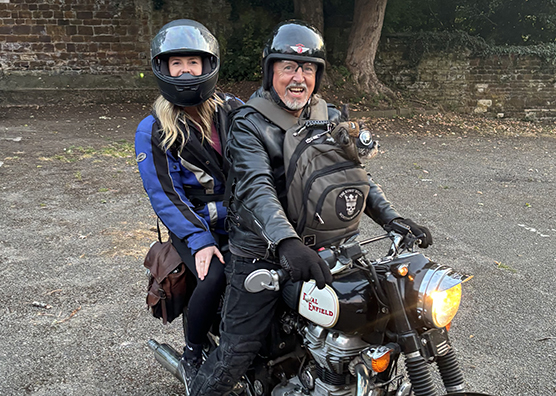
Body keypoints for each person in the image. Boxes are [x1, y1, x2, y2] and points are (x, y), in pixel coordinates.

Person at [188, 20, 433, 396]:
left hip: (326, 247)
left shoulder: (329, 116)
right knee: (236, 353)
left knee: (379, 319)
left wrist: (393, 219)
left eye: (307, 68)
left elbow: (353, 176)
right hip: (261, 253)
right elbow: (256, 189)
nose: (298, 78)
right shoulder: (248, 124)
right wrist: (286, 243)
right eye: (288, 67)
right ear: (270, 71)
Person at [134, 19, 242, 394]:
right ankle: (194, 354)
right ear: (162, 69)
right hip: (194, 223)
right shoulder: (153, 128)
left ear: (206, 65)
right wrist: (199, 239)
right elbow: (164, 194)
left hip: (243, 219)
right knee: (213, 276)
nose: (185, 70)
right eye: (176, 62)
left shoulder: (232, 109)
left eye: (192, 63)